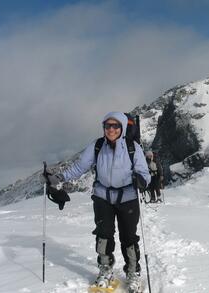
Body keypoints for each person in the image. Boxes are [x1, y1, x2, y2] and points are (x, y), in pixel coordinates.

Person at [44, 112, 151, 292]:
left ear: (122, 128)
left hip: (128, 198)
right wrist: (59, 177)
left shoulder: (133, 147)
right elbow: (80, 167)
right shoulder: (98, 146)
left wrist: (142, 180)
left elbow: (145, 174)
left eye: (115, 126)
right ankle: (105, 269)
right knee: (103, 235)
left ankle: (133, 272)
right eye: (108, 126)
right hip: (102, 197)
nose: (111, 129)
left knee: (129, 237)